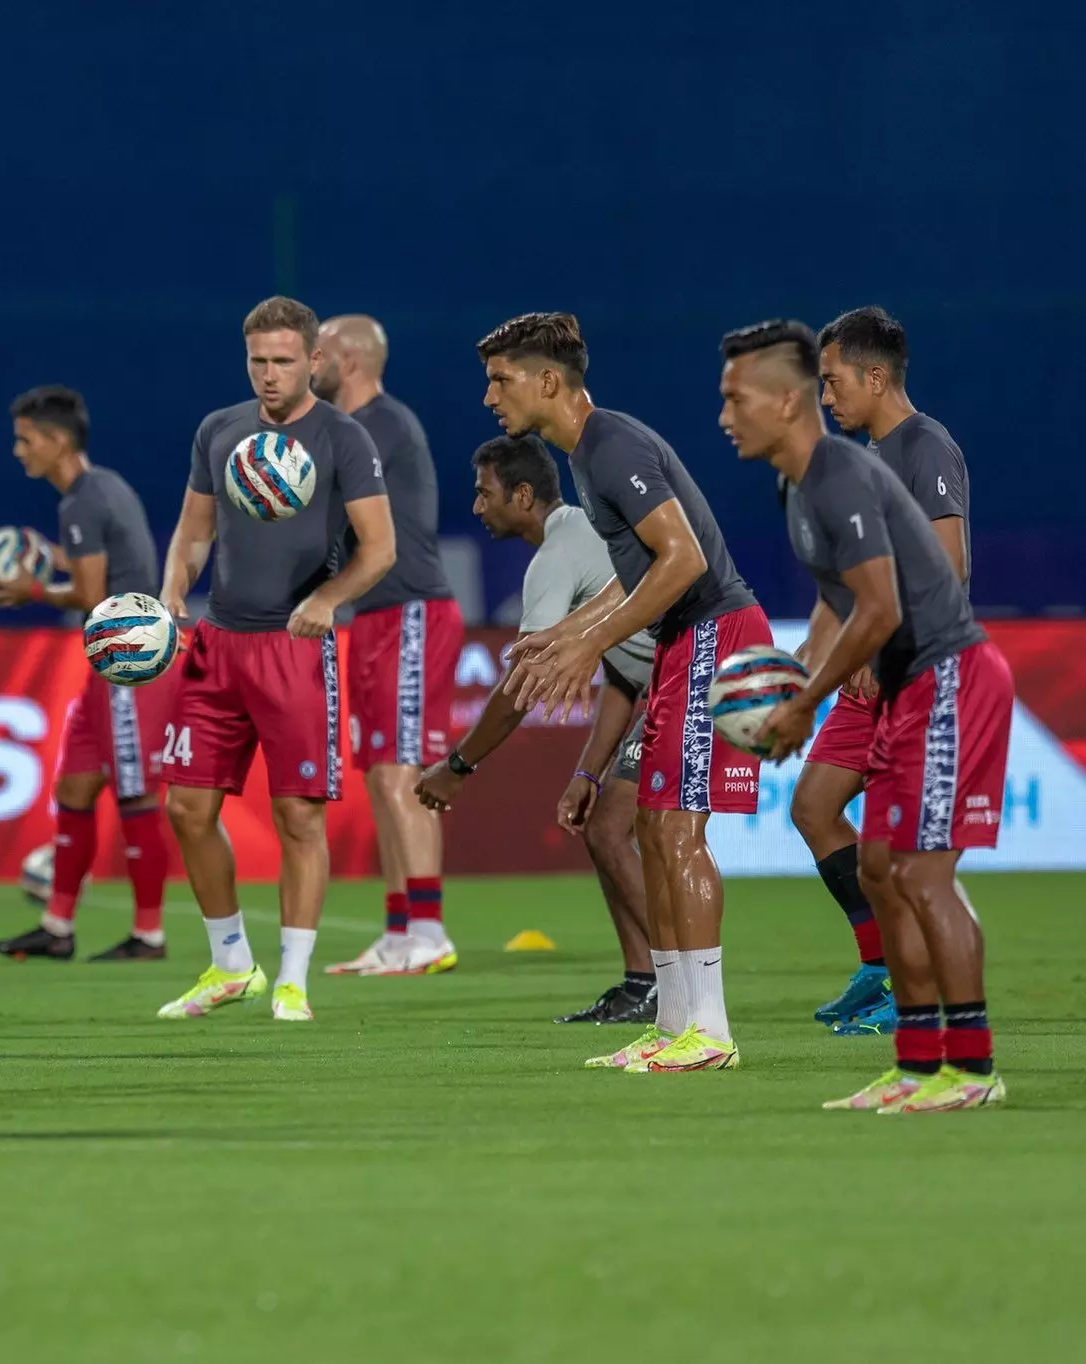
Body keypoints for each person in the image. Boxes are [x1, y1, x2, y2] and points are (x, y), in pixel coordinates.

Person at [722, 319, 1010, 1113]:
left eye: (736, 399)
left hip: (943, 675)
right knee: (880, 868)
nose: (725, 416)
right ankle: (916, 1065)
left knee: (920, 873)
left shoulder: (848, 472)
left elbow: (882, 608)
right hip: (902, 679)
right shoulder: (803, 486)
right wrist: (799, 677)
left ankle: (972, 1069)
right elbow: (844, 599)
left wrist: (803, 701)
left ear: (786, 402)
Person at [487, 312, 770, 1073]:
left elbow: (682, 562)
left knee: (677, 832)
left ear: (548, 382)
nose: (490, 396)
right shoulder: (588, 454)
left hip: (713, 633)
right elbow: (636, 574)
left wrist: (588, 642)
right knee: (651, 828)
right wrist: (571, 629)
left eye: (501, 379)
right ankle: (674, 1022)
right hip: (685, 641)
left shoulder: (610, 446)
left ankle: (709, 1031)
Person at [155, 296, 394, 1023]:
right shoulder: (219, 430)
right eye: (258, 360)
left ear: (314, 360)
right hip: (217, 646)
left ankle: (292, 981)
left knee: (298, 816)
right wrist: (172, 591)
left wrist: (329, 598)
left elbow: (380, 550)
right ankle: (231, 964)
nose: (269, 374)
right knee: (186, 808)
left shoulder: (343, 437)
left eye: (283, 361)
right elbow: (194, 532)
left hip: (294, 649)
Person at [412, 434, 659, 1024]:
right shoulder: (581, 535)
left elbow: (522, 683)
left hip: (689, 684)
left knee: (622, 832)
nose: (477, 506)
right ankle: (644, 984)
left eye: (485, 493)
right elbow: (623, 676)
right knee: (604, 829)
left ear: (522, 496)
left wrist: (457, 766)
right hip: (660, 688)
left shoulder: (557, 554)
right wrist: (587, 773)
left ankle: (683, 981)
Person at [794, 306, 971, 1037]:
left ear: (875, 376)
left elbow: (949, 566)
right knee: (813, 808)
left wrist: (880, 646)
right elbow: (842, 586)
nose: (825, 398)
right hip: (867, 674)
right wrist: (804, 668)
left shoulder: (925, 445)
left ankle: (920, 999)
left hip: (915, 674)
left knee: (898, 859)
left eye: (832, 382)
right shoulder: (859, 462)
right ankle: (879, 968)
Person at [0, 385, 174, 963]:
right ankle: (57, 927)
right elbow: (111, 563)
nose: (19, 451)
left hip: (129, 661)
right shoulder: (105, 487)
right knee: (74, 788)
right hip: (113, 662)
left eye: (26, 440)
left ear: (58, 441)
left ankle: (148, 935)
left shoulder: (80, 502)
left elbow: (94, 596)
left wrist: (32, 589)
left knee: (136, 796)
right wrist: (50, 556)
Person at [308, 315, 463, 978]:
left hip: (411, 612)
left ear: (347, 360)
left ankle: (429, 930)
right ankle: (399, 932)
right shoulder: (352, 427)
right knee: (379, 775)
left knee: (402, 773)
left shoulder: (379, 425)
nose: (308, 364)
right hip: (374, 616)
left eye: (316, 353)